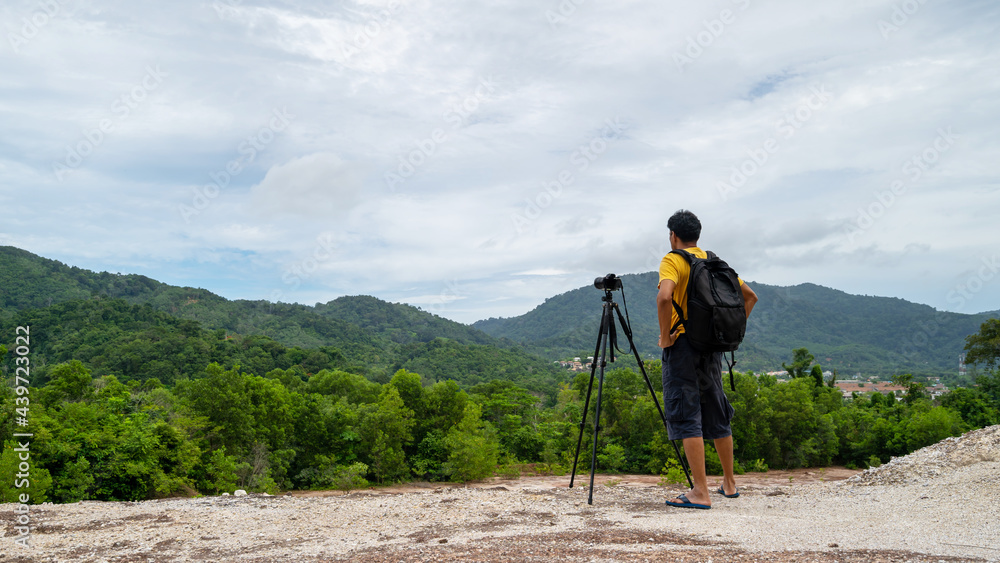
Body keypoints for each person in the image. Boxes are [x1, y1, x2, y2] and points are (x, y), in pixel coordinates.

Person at [656, 209, 758, 509]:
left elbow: (664, 297)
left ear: (673, 235)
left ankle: (700, 492)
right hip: (711, 346)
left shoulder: (673, 259)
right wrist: (726, 333)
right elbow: (750, 296)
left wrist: (665, 336)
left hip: (684, 344)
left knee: (688, 414)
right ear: (697, 235)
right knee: (716, 409)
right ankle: (729, 483)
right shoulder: (713, 260)